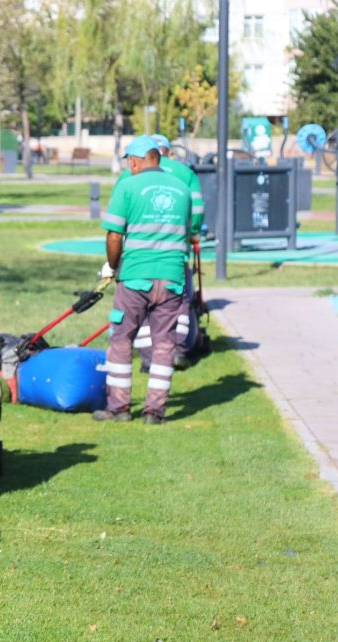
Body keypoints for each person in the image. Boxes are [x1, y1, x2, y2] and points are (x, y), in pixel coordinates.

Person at [94, 136, 192, 425]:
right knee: (164, 345)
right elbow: (189, 230)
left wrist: (112, 266)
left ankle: (119, 409)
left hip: (136, 276)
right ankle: (155, 412)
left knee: (122, 340)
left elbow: (114, 235)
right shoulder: (182, 189)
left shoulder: (127, 185)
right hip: (173, 277)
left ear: (134, 160)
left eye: (129, 162)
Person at [117, 134, 205, 369]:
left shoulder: (129, 176)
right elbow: (196, 211)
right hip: (174, 255)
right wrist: (191, 233)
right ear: (167, 151)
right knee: (180, 303)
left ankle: (147, 358)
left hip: (137, 259)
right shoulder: (185, 174)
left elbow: (119, 220)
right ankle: (180, 349)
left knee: (139, 311)